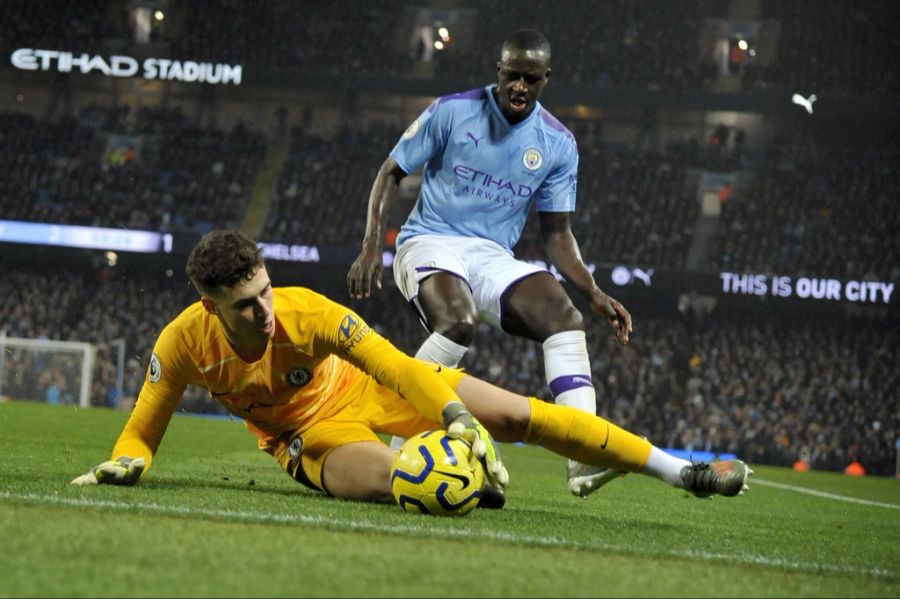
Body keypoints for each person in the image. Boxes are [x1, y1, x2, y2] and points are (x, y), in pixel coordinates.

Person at [72, 230, 752, 506]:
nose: (264, 312)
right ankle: (466, 478)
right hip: (310, 438)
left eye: (266, 292)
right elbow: (142, 426)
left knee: (520, 412)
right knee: (404, 484)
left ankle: (680, 470)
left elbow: (398, 367)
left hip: (371, 391)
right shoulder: (182, 342)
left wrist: (454, 414)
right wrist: (130, 460)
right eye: (246, 306)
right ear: (209, 305)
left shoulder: (310, 312)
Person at [347, 29, 632, 497]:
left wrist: (594, 291)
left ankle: (582, 456)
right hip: (428, 241)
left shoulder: (558, 143)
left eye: (531, 79)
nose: (520, 86)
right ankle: (398, 445)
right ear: (498, 71)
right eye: (513, 76)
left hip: (491, 256)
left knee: (565, 318)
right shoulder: (452, 111)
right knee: (457, 321)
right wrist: (371, 245)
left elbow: (557, 235)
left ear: (545, 79)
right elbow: (391, 172)